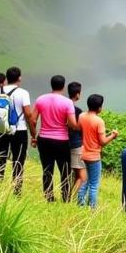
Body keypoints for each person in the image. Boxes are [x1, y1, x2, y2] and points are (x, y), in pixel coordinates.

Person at [30, 75, 78, 203]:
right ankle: (66, 197)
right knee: (65, 170)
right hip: (61, 141)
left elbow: (33, 120)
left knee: (47, 169)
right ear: (63, 86)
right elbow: (73, 124)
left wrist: (33, 137)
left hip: (44, 139)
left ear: (51, 85)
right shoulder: (67, 102)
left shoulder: (40, 99)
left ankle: (49, 198)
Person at [0, 66, 34, 194]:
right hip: (19, 130)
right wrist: (33, 133)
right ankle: (16, 189)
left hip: (1, 128)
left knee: (1, 156)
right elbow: (28, 114)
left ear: (7, 78)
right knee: (18, 160)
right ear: (19, 78)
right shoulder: (23, 93)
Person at [77, 93, 119, 208]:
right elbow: (102, 142)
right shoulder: (99, 121)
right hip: (94, 156)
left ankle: (80, 203)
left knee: (86, 180)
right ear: (99, 107)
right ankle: (92, 208)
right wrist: (113, 136)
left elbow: (80, 130)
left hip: (83, 153)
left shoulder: (81, 116)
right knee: (94, 184)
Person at [67, 81, 86, 201]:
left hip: (64, 143)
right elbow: (81, 129)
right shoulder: (77, 110)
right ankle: (71, 198)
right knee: (82, 176)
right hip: (76, 144)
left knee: (72, 173)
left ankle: (69, 195)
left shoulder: (62, 106)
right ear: (78, 94)